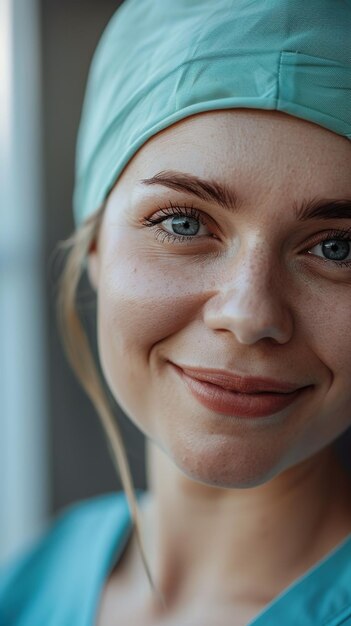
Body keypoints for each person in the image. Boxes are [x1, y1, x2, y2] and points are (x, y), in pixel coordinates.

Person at [1, 1, 351, 625]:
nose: (249, 314)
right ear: (95, 245)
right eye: (184, 223)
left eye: (337, 248)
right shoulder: (28, 585)